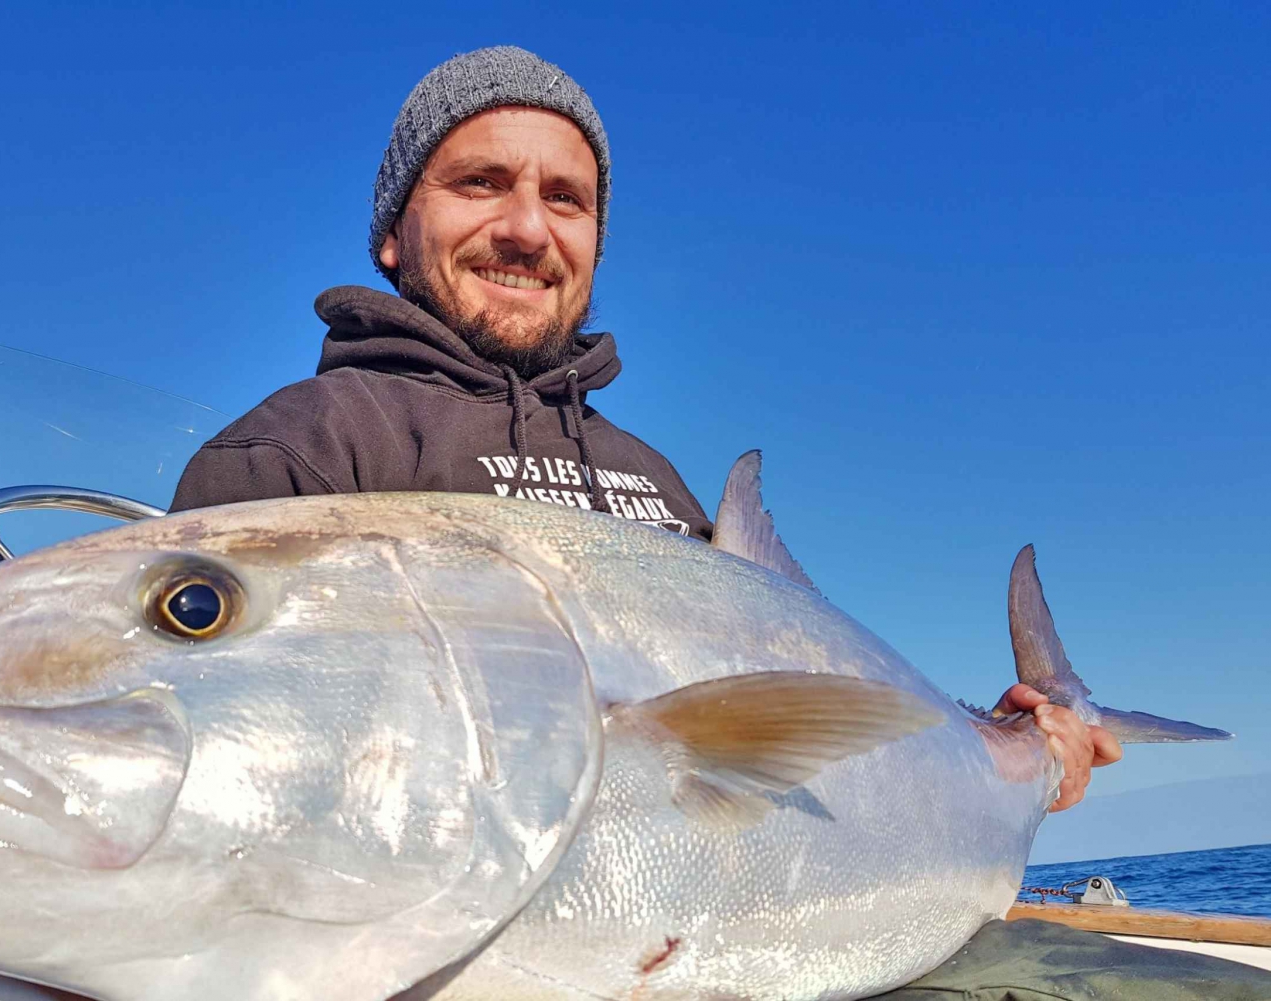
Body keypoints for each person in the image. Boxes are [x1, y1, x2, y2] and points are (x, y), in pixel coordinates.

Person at [170, 45, 1118, 810]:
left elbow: (792, 744)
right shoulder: (299, 454)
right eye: (480, 183)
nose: (528, 229)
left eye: (566, 199)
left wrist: (1002, 740)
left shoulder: (652, 476)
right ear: (391, 232)